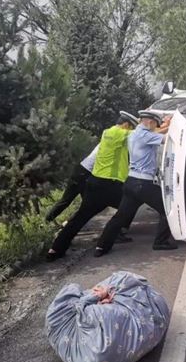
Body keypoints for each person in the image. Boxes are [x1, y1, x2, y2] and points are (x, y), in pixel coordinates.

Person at [47, 111, 139, 261]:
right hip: (112, 186)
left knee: (79, 218)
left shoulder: (107, 133)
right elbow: (144, 134)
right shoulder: (120, 133)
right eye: (131, 127)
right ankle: (103, 245)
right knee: (128, 207)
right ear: (126, 125)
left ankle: (55, 250)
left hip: (95, 184)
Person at [94, 110, 177, 257]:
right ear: (150, 122)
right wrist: (174, 125)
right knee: (167, 209)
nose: (156, 127)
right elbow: (168, 139)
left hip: (131, 182)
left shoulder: (134, 134)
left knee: (120, 217)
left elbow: (157, 133)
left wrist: (167, 125)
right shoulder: (145, 135)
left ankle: (101, 246)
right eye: (155, 124)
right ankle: (161, 242)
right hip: (143, 183)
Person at [45, 145, 99, 223]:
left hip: (81, 171)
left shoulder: (105, 143)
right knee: (85, 204)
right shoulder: (107, 146)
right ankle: (52, 221)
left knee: (69, 201)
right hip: (83, 174)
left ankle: (51, 221)